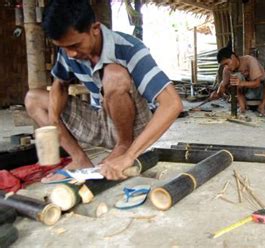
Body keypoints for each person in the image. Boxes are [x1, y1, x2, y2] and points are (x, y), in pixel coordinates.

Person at [25, 0, 183, 181]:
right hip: (100, 121)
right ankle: (79, 159)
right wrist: (54, 120)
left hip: (134, 127)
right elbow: (59, 85)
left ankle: (123, 147)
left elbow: (172, 103)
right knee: (33, 98)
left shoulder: (129, 48)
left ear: (95, 28)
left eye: (75, 46)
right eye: (63, 48)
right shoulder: (68, 52)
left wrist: (129, 156)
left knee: (114, 74)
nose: (71, 54)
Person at [210, 46, 265, 116]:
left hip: (261, 91)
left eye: (227, 63)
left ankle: (262, 106)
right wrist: (217, 94)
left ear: (233, 57)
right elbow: (223, 85)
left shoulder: (249, 60)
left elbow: (257, 83)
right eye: (224, 65)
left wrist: (241, 83)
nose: (226, 67)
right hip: (247, 95)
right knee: (236, 76)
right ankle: (242, 107)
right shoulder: (227, 69)